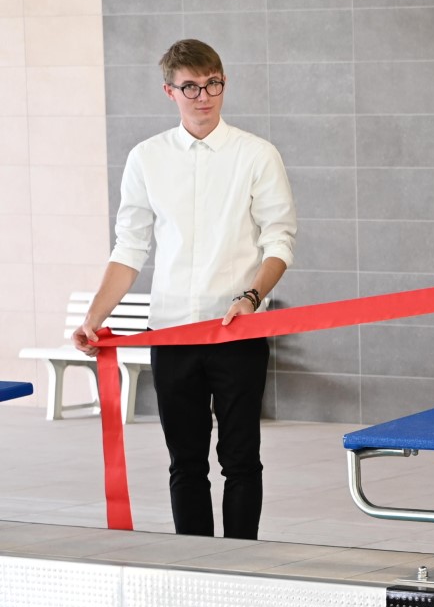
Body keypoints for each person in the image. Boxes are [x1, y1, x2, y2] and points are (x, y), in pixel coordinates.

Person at [74, 39, 295, 540]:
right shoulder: (146, 158)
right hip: (171, 333)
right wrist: (93, 319)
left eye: (212, 84)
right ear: (169, 92)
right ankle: (193, 566)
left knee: (241, 459)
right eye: (190, 87)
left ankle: (242, 563)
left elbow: (279, 241)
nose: (204, 96)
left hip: (237, 330)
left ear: (224, 83)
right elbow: (129, 249)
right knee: (186, 463)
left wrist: (251, 297)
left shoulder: (257, 155)